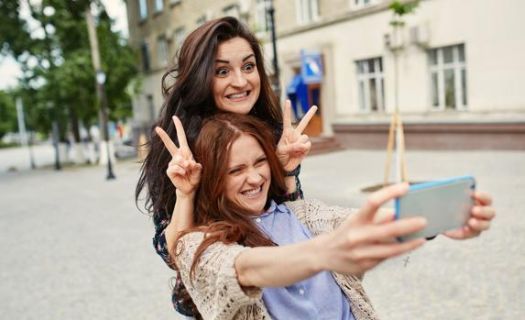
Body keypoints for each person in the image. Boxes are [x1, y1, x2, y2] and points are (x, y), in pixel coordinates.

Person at [162, 113, 495, 320]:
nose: (254, 178)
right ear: (213, 179)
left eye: (260, 162)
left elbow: (362, 224)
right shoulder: (198, 243)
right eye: (236, 169)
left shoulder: (302, 213)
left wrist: (437, 220)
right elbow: (243, 268)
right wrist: (325, 252)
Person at [135, 17, 315, 315]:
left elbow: (291, 222)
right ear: (201, 77)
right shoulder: (179, 147)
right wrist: (186, 193)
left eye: (248, 66)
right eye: (222, 71)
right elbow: (173, 254)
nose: (241, 81)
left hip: (286, 291)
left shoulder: (270, 131)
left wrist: (287, 172)